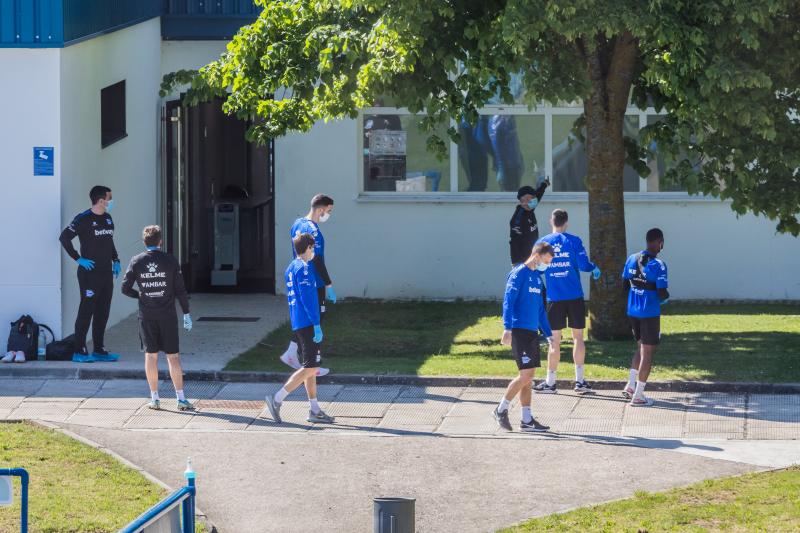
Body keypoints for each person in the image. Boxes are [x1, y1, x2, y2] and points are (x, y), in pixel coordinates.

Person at [121, 225, 194, 411]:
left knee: (151, 356)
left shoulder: (136, 261)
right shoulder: (170, 261)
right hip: (167, 316)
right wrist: (186, 312)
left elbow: (125, 288)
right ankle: (181, 399)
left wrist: (140, 295)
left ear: (144, 241)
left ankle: (154, 399)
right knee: (173, 357)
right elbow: (180, 290)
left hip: (147, 316)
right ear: (160, 241)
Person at [266, 233, 335, 425]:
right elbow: (308, 300)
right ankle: (277, 399)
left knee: (310, 367)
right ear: (309, 248)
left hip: (298, 322)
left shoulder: (290, 267)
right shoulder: (304, 269)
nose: (314, 252)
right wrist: (316, 323)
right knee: (311, 367)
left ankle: (314, 409)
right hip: (307, 323)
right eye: (313, 248)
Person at [533, 209, 602, 395]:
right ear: (566, 222)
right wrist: (594, 268)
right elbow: (583, 265)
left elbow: (537, 269)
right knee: (578, 338)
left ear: (551, 221)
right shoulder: (574, 241)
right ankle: (579, 382)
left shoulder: (542, 243)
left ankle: (550, 382)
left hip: (554, 298)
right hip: (574, 296)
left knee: (555, 340)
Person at [493, 241, 555, 433]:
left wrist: (549, 334)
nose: (548, 265)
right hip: (519, 330)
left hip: (532, 332)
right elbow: (508, 300)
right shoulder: (519, 273)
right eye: (547, 261)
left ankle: (526, 420)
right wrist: (507, 328)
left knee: (528, 376)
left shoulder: (537, 278)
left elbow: (540, 310)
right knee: (525, 375)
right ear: (537, 256)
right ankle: (501, 409)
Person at [59, 185, 121, 363]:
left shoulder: (108, 218)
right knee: (87, 310)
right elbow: (64, 238)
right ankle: (80, 350)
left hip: (106, 273)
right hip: (89, 274)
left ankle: (99, 350)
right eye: (110, 198)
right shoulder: (83, 218)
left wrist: (116, 259)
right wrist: (78, 259)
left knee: (103, 311)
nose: (111, 201)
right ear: (101, 200)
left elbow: (109, 241)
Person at [279, 194, 336, 376]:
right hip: (312, 280)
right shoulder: (313, 230)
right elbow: (316, 259)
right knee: (315, 319)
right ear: (321, 209)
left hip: (299, 275)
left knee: (307, 318)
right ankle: (311, 363)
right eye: (329, 211)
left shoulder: (297, 223)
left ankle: (293, 353)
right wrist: (328, 283)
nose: (328, 214)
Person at [621, 228, 669, 407]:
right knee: (648, 353)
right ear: (659, 242)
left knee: (640, 346)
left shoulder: (631, 258)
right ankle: (639, 395)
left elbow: (625, 285)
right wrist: (664, 299)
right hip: (649, 313)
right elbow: (662, 292)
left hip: (633, 311)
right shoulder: (659, 265)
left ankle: (630, 385)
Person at [509, 178, 550, 265]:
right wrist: (519, 265)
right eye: (532, 198)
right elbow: (515, 241)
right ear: (523, 201)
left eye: (534, 198)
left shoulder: (529, 208)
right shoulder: (518, 219)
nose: (535, 200)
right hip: (522, 262)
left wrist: (544, 184)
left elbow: (538, 195)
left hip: (532, 258)